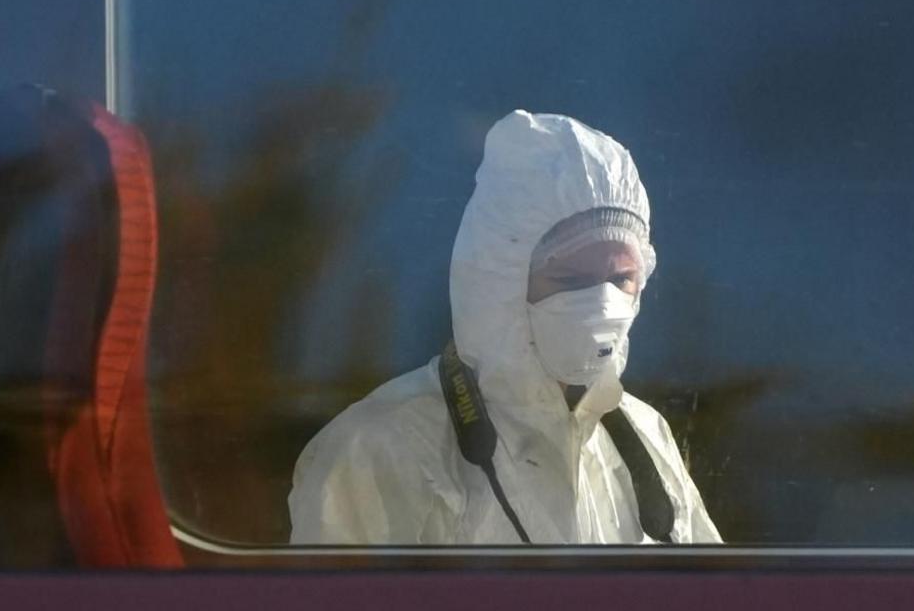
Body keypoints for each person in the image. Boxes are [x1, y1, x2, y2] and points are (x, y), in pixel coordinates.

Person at [288, 110, 721, 545]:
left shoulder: (644, 438)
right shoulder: (381, 447)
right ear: (500, 281)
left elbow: (717, 607)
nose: (603, 301)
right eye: (571, 280)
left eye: (621, 279)